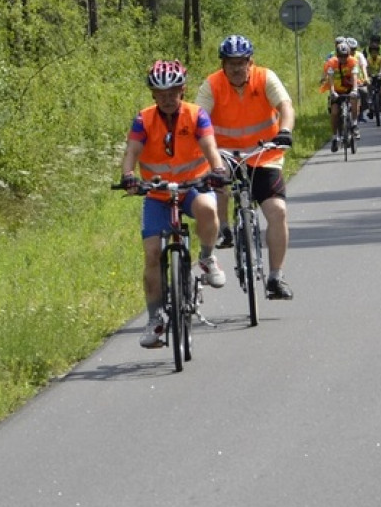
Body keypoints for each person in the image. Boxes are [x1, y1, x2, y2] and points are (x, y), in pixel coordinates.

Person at [119, 59, 229, 348]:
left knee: (208, 208)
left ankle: (206, 257)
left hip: (192, 186)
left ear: (183, 90)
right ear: (153, 95)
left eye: (173, 92)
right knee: (152, 253)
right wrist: (128, 176)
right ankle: (155, 319)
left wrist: (217, 170)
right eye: (161, 93)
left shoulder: (197, 115)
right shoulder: (144, 119)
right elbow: (132, 150)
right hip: (157, 194)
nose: (167, 99)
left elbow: (209, 146)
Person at [195, 34, 296, 300]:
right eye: (231, 63)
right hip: (225, 154)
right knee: (218, 180)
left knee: (278, 212)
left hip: (264, 155)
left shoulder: (265, 78)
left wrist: (284, 131)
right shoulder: (212, 85)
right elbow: (198, 118)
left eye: (241, 62)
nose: (237, 68)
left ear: (250, 62)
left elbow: (285, 106)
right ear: (223, 64)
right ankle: (225, 228)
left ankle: (276, 277)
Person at [321, 40, 360, 152]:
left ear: (348, 55)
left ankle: (354, 123)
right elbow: (331, 80)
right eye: (340, 56)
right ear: (337, 56)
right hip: (337, 90)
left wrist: (355, 89)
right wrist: (332, 91)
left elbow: (354, 76)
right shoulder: (332, 62)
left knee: (354, 100)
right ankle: (335, 137)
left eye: (345, 56)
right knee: (334, 113)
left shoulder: (353, 61)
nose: (343, 59)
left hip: (349, 89)